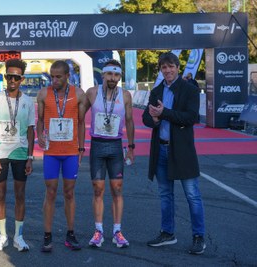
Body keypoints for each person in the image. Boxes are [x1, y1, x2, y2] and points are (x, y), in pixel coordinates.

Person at [142, 52, 206, 255]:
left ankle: (199, 237)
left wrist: (164, 113)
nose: (167, 70)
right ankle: (168, 233)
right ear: (160, 70)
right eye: (164, 67)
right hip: (160, 149)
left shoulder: (189, 89)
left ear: (178, 67)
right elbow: (145, 117)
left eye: (171, 66)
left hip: (182, 150)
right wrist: (154, 118)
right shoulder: (157, 90)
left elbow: (191, 117)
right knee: (165, 195)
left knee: (192, 195)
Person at [0, 59, 35, 252]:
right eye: (8, 76)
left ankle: (18, 237)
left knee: (20, 195)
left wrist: (30, 157)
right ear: (5, 77)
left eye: (16, 77)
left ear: (21, 79)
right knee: (0, 195)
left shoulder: (28, 101)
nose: (12, 80)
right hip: (0, 154)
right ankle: (2, 236)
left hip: (21, 155)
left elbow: (31, 131)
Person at [36, 60, 87, 252]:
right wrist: (41, 135)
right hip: (51, 152)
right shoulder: (43, 94)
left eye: (58, 76)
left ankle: (70, 233)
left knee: (69, 192)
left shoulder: (78, 94)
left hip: (71, 152)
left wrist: (81, 149)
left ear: (67, 76)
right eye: (52, 76)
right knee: (50, 192)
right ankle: (47, 236)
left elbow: (81, 123)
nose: (54, 80)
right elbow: (40, 120)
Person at [84, 59, 135, 248]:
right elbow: (79, 117)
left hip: (115, 146)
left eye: (116, 75)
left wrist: (131, 148)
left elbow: (129, 121)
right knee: (98, 189)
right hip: (97, 145)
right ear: (103, 74)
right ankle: (98, 231)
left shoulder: (126, 95)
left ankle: (117, 231)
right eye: (109, 74)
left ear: (119, 76)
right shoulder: (92, 93)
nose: (112, 78)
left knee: (117, 189)